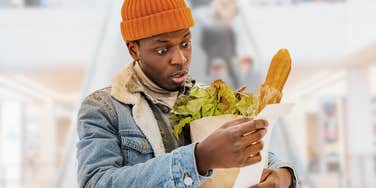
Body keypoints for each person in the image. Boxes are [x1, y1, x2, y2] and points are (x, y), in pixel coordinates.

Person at [76, 0, 298, 187]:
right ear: (134, 50)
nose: (180, 58)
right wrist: (199, 159)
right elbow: (97, 181)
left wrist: (283, 176)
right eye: (163, 50)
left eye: (185, 43)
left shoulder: (210, 97)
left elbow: (248, 149)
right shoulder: (103, 109)